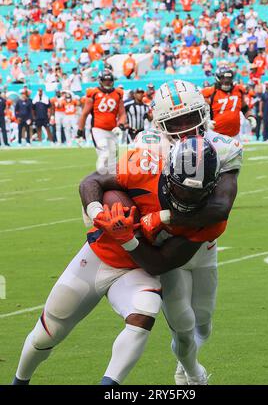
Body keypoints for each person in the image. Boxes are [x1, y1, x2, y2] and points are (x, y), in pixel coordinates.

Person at [12, 128, 236, 386]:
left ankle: (108, 386)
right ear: (167, 173)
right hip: (98, 257)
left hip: (140, 269)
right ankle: (19, 381)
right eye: (181, 188)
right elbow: (90, 182)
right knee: (46, 335)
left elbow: (160, 263)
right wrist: (98, 215)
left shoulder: (209, 218)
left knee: (145, 311)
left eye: (196, 192)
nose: (187, 197)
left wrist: (128, 238)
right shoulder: (146, 164)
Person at [81, 80, 243, 385]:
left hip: (202, 246)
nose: (183, 129)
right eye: (174, 123)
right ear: (160, 124)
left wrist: (163, 214)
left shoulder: (223, 147)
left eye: (189, 120)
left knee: (204, 324)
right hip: (169, 248)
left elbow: (220, 208)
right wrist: (107, 212)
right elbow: (106, 182)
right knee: (182, 323)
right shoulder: (148, 145)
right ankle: (192, 371)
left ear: (203, 115)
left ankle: (189, 364)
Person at [77, 70, 127, 172]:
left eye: (109, 80)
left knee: (113, 158)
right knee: (105, 152)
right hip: (98, 129)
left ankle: (109, 182)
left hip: (112, 130)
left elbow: (122, 114)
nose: (108, 83)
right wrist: (80, 130)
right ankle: (100, 175)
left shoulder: (118, 93)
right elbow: (84, 113)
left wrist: (121, 124)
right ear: (100, 81)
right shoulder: (94, 93)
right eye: (105, 80)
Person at [202, 66, 256, 139]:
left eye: (228, 79)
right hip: (216, 135)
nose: (226, 81)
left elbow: (245, 108)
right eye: (223, 79)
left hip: (235, 135)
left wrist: (250, 116)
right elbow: (199, 111)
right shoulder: (211, 92)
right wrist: (206, 122)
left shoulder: (238, 90)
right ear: (218, 79)